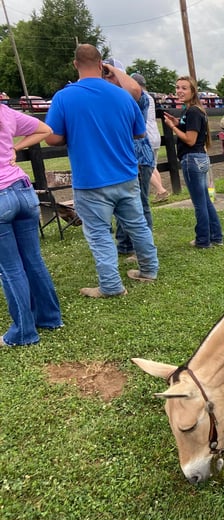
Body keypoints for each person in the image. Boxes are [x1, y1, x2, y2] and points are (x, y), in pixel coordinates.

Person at [45, 44, 159, 297]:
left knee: (99, 234)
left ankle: (111, 286)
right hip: (126, 174)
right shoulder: (122, 96)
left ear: (75, 64)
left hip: (91, 179)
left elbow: (52, 139)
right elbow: (139, 132)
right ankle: (149, 270)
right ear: (101, 65)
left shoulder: (64, 97)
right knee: (137, 224)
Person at [0, 108, 63, 346]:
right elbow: (45, 129)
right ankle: (50, 317)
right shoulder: (4, 111)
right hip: (22, 190)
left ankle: (23, 332)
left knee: (10, 269)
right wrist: (15, 148)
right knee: (33, 260)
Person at [164, 76, 223, 248]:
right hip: (199, 158)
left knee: (199, 204)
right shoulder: (193, 110)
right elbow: (189, 129)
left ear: (192, 91)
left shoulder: (193, 112)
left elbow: (190, 140)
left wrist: (172, 127)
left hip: (192, 159)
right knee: (205, 200)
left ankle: (203, 240)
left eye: (184, 88)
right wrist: (178, 123)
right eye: (177, 87)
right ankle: (216, 236)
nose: (180, 91)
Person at [111, 66, 155, 259]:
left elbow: (137, 92)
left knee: (141, 203)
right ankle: (125, 244)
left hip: (139, 157)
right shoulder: (116, 97)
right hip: (124, 158)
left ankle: (143, 248)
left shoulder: (138, 97)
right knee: (122, 203)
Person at [129, 73, 170, 203]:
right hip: (155, 134)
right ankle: (160, 190)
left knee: (144, 164)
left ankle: (160, 189)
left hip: (145, 135)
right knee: (153, 165)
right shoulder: (150, 97)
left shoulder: (139, 96)